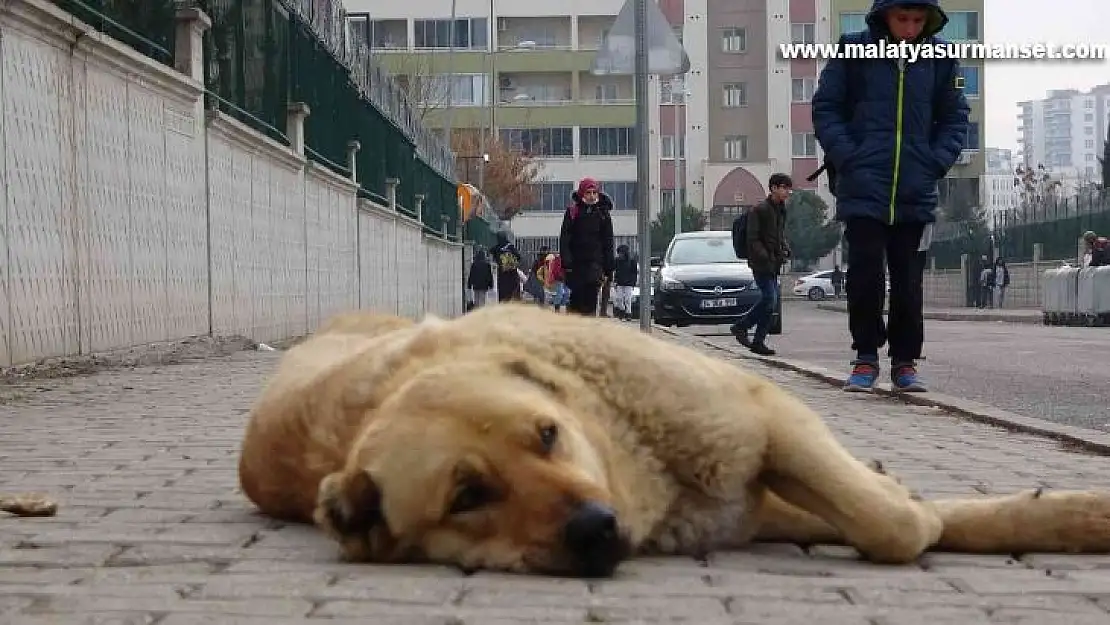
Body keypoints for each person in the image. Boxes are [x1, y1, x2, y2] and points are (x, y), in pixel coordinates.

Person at [811, 0, 970, 393]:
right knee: (865, 275)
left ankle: (904, 363)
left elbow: (955, 118)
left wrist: (934, 162)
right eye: (903, 19)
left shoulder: (941, 58)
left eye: (918, 21)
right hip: (864, 186)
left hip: (915, 189)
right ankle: (865, 357)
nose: (910, 28)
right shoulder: (852, 49)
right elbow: (826, 108)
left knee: (908, 281)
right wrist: (850, 157)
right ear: (884, 16)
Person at [729, 173, 792, 356]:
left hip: (774, 262)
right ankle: (741, 327)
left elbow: (778, 234)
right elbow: (753, 238)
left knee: (770, 303)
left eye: (789, 188)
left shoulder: (781, 209)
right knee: (769, 299)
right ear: (773, 188)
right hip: (761, 263)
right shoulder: (759, 209)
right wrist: (765, 256)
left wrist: (785, 248)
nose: (788, 192)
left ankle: (757, 341)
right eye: (784, 188)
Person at [559, 178, 615, 316]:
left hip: (595, 265)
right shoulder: (573, 213)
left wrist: (609, 267)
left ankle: (589, 329)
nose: (591, 196)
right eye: (588, 192)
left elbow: (608, 241)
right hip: (575, 266)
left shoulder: (603, 214)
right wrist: (567, 262)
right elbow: (565, 239)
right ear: (582, 194)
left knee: (591, 299)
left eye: (594, 192)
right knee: (576, 301)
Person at [489, 231, 523, 303]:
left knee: (503, 297)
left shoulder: (496, 248)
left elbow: (491, 252)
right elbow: (519, 257)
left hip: (503, 276)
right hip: (513, 276)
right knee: (514, 296)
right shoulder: (511, 247)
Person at [611, 244, 638, 320]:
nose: (620, 255)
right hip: (619, 282)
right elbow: (614, 270)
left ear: (625, 253)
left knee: (627, 299)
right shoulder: (617, 261)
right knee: (619, 298)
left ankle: (628, 313)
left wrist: (633, 282)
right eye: (619, 253)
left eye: (621, 253)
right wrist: (615, 281)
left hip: (629, 283)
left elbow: (634, 273)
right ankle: (622, 310)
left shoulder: (632, 261)